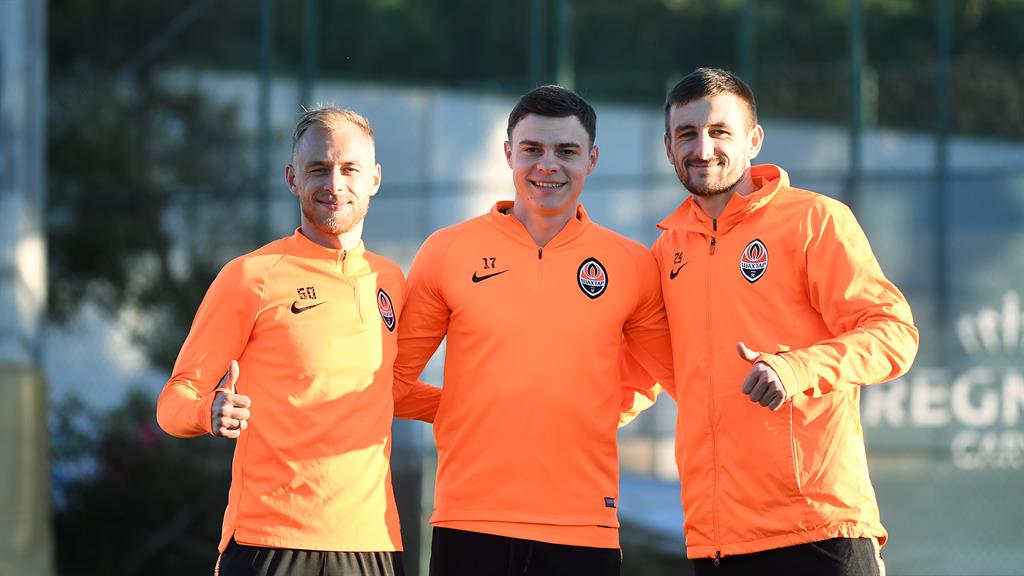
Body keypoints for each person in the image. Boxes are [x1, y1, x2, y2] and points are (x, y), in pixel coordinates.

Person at [393, 85, 675, 576]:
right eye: (532, 149)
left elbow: (668, 372)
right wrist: (464, 407)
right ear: (508, 153)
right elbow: (393, 381)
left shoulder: (631, 264)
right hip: (470, 518)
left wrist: (591, 409)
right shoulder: (447, 250)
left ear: (592, 159)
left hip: (584, 525)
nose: (548, 165)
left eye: (566, 151)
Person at [650, 67, 919, 575]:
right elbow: (648, 369)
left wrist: (795, 369)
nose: (703, 148)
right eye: (687, 134)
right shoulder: (667, 249)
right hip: (717, 540)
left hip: (818, 529)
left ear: (754, 140)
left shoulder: (814, 219)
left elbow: (893, 335)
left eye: (719, 131)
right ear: (668, 147)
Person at [156, 106, 439, 576]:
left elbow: (384, 391)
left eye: (349, 169)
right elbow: (173, 400)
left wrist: (470, 405)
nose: (334, 183)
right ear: (292, 178)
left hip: (373, 544)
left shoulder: (390, 280)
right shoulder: (250, 275)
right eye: (318, 168)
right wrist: (207, 412)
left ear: (374, 178)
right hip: (270, 542)